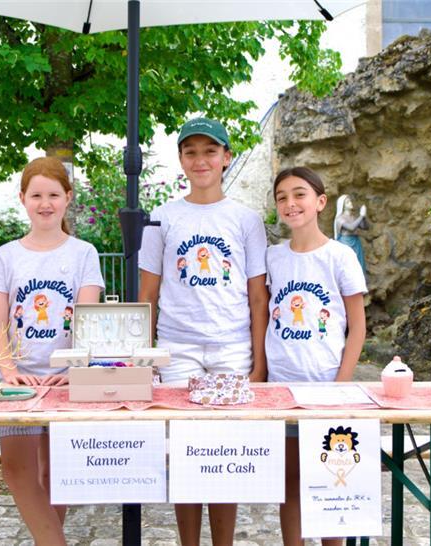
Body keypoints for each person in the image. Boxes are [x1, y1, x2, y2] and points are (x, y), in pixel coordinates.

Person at [139, 117, 268, 546]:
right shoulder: (162, 217)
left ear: (226, 158)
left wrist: (259, 363)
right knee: (191, 452)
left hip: (232, 348)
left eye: (210, 151)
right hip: (178, 347)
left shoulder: (246, 219)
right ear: (180, 159)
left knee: (225, 454)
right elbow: (148, 292)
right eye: (190, 151)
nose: (201, 160)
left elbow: (256, 296)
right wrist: (145, 356)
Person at [0, 156, 104, 546]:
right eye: (36, 195)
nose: (45, 203)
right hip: (20, 382)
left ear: (68, 198)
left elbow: (87, 320)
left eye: (54, 194)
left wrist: (74, 369)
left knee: (58, 473)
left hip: (65, 381)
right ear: (22, 199)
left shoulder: (84, 253)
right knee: (18, 473)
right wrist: (6, 369)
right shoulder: (5, 255)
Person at [266, 167, 367, 546]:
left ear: (321, 202)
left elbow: (357, 327)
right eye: (282, 197)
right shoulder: (273, 257)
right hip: (282, 389)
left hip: (326, 386)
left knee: (329, 482)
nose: (290, 203)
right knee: (291, 481)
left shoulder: (340, 256)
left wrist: (340, 387)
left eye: (299, 194)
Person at [333, 194, 369, 272]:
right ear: (342, 205)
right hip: (346, 243)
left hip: (356, 242)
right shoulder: (339, 218)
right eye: (347, 202)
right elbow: (351, 228)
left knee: (358, 265)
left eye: (350, 201)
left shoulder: (353, 217)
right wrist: (361, 216)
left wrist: (364, 217)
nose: (350, 203)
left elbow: (365, 227)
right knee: (348, 266)